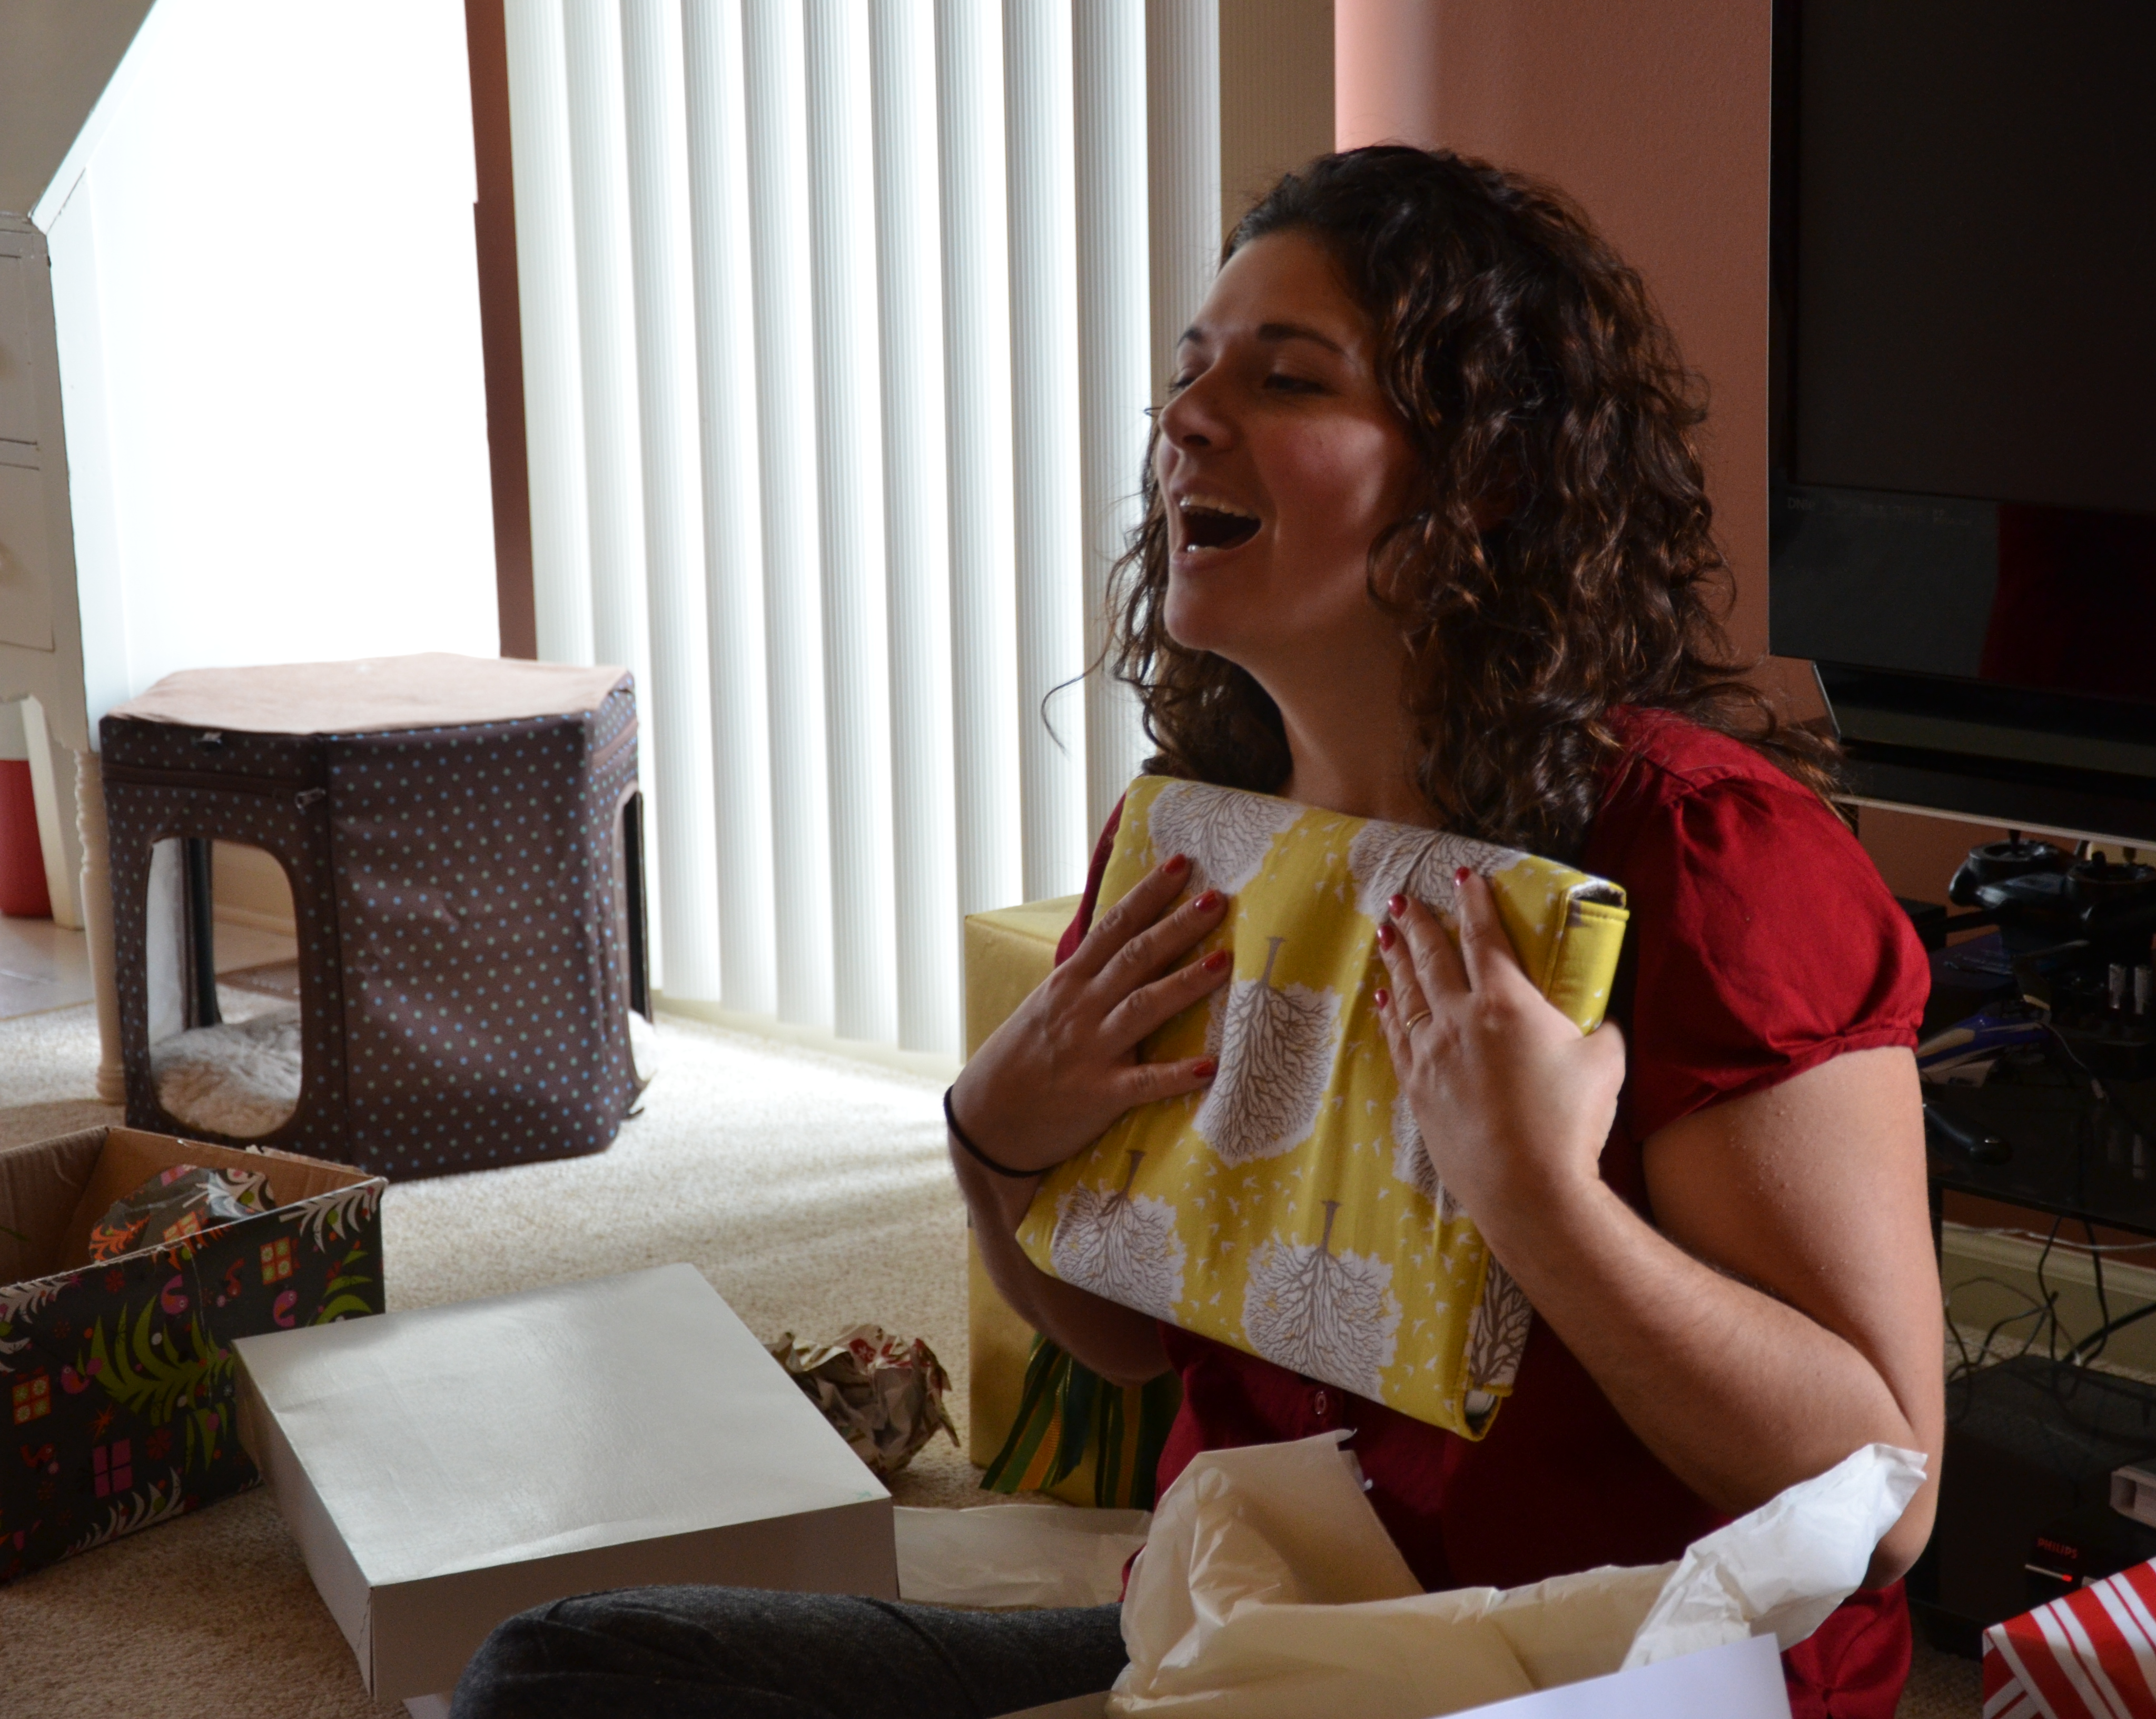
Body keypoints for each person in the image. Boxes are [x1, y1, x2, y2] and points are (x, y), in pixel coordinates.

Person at [453, 145, 1941, 1719]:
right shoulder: (1196, 846)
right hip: (1245, 1653)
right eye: (1189, 375)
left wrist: (1539, 1205)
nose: (1183, 423)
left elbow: (1885, 1507)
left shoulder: (1708, 857)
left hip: (1587, 1680)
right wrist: (996, 1150)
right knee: (562, 1673)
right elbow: (1125, 1342)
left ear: (1489, 481)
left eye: (1288, 380)